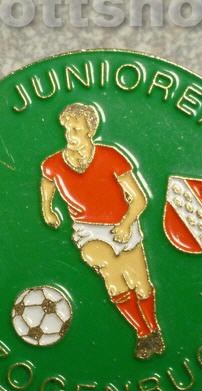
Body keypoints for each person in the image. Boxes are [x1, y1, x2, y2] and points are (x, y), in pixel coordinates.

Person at [40, 103, 164, 359]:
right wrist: (47, 209)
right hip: (88, 230)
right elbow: (47, 182)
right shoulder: (53, 163)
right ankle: (142, 333)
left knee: (141, 285)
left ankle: (153, 330)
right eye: (68, 129)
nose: (70, 135)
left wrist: (125, 225)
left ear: (90, 131)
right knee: (111, 272)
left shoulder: (111, 157)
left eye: (77, 129)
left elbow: (139, 199)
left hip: (122, 225)